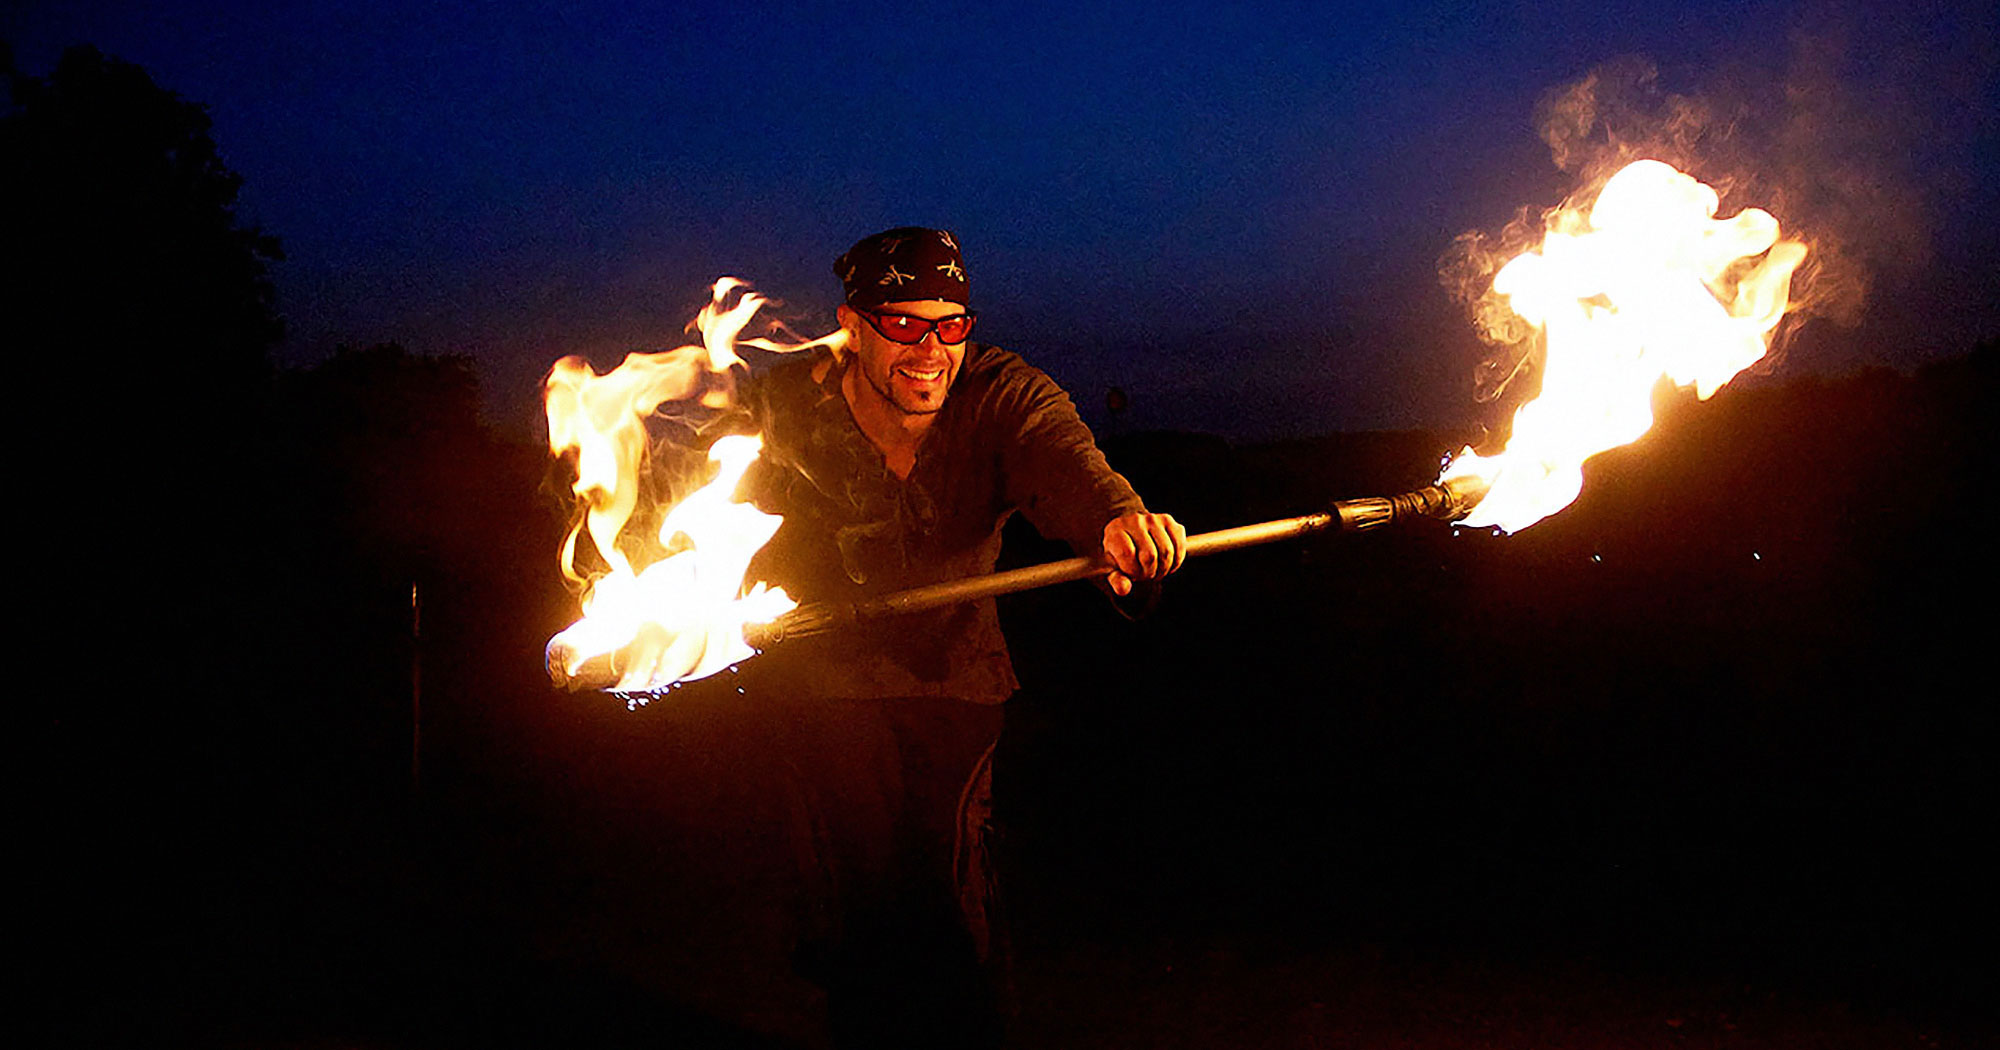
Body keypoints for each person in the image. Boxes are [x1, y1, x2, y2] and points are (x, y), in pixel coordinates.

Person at [727, 226, 1185, 1047]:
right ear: (855, 325)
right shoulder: (784, 403)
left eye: (949, 323)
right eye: (903, 325)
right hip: (824, 682)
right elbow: (704, 519)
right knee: (854, 900)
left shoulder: (1005, 390)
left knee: (949, 891)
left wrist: (1117, 525)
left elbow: (1066, 462)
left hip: (958, 680)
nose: (929, 348)